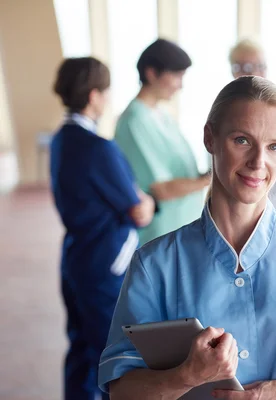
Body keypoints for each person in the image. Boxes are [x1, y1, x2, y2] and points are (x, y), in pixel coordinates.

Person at [98, 76, 276, 399]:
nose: (258, 162)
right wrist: (187, 375)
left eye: (274, 147)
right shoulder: (154, 265)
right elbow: (121, 389)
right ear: (210, 138)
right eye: (242, 140)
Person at [50, 57, 155, 400]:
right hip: (103, 264)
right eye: (106, 92)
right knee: (110, 356)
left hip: (75, 257)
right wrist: (151, 202)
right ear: (94, 96)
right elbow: (137, 209)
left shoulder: (60, 141)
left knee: (80, 350)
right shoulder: (99, 148)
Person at [115, 38, 210, 246]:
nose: (181, 85)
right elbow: (161, 189)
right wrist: (211, 180)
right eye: (177, 76)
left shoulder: (161, 114)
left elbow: (182, 173)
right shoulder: (135, 120)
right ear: (151, 73)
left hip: (182, 228)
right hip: (161, 235)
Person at [228, 38, 276, 217]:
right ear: (234, 70)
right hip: (235, 215)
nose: (255, 73)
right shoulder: (222, 114)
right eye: (246, 67)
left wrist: (249, 182)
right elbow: (218, 172)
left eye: (260, 66)